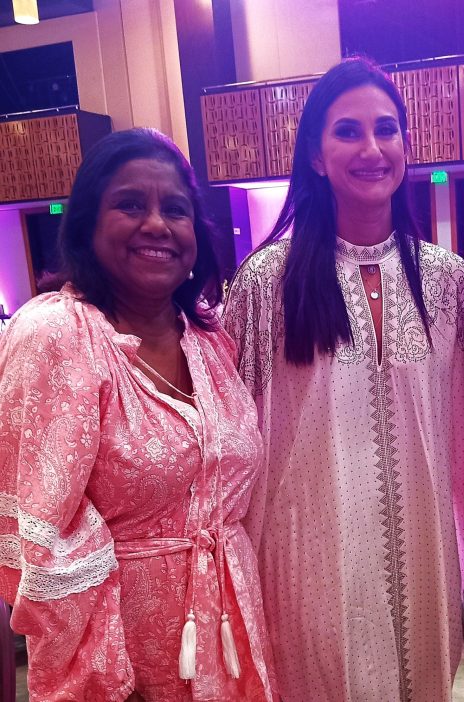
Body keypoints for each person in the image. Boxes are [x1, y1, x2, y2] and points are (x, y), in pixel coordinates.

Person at [223, 58, 464, 701]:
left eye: (386, 130)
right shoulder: (265, 286)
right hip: (310, 556)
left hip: (422, 548)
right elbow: (238, 438)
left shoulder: (446, 281)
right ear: (314, 154)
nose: (372, 148)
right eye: (348, 132)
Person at [0, 128, 277, 701]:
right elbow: (34, 535)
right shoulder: (57, 335)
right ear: (86, 225)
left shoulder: (208, 337)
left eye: (175, 210)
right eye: (130, 204)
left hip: (231, 630)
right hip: (124, 660)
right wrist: (102, 677)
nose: (156, 224)